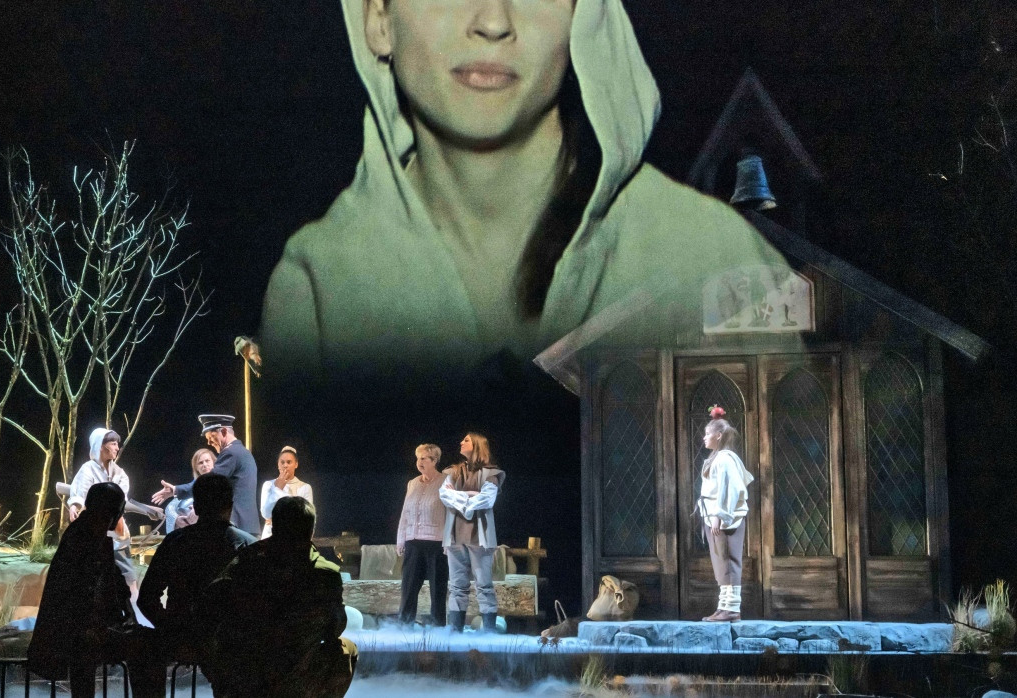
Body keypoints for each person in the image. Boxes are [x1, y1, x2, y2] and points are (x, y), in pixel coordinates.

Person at [258, 0, 795, 381]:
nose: (493, 20)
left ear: (585, 17)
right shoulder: (317, 291)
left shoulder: (713, 261)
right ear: (378, 19)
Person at [199, 497, 356, 698]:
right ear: (311, 531)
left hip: (243, 676)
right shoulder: (326, 574)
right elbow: (335, 626)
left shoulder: (247, 562)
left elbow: (209, 604)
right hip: (294, 678)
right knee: (346, 649)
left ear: (274, 528)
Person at [27, 482, 163, 698]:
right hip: (78, 635)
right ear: (113, 510)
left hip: (83, 632)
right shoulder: (84, 537)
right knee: (145, 645)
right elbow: (83, 592)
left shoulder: (87, 533)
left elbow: (112, 587)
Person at [138, 472, 257, 649]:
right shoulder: (247, 545)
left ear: (196, 507)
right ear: (230, 507)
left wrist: (171, 631)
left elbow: (146, 598)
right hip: (232, 647)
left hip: (183, 639)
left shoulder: (175, 542)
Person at [151, 414, 262, 537]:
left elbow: (208, 484)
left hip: (236, 527)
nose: (208, 442)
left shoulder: (230, 453)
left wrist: (176, 490)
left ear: (224, 432)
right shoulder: (243, 452)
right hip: (248, 526)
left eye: (211, 437)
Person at [440, 432, 505, 632]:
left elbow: (487, 499)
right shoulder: (453, 471)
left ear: (477, 445)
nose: (461, 442)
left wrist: (460, 499)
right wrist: (469, 497)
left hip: (480, 536)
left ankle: (489, 632)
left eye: (466, 440)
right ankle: (455, 630)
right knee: (457, 585)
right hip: (455, 536)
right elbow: (444, 494)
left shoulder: (491, 473)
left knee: (484, 585)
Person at [68, 428, 138, 600]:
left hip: (115, 527)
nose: (117, 448)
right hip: (94, 528)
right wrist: (74, 506)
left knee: (127, 570)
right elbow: (80, 492)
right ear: (101, 446)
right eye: (113, 444)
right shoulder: (88, 470)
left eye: (117, 444)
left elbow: (122, 496)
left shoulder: (119, 473)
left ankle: (134, 605)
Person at [697, 406, 753, 622]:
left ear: (718, 435)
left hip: (723, 519)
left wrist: (719, 517)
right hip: (714, 517)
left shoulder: (725, 458)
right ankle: (724, 607)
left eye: (707, 433)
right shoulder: (717, 457)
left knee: (728, 561)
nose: (704, 438)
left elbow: (728, 489)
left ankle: (731, 609)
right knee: (721, 563)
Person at [396, 443, 448, 625]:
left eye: (424, 458)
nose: (419, 462)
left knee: (437, 588)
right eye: (418, 458)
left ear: (434, 460)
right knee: (409, 586)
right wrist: (401, 539)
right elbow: (405, 513)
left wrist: (449, 541)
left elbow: (451, 515)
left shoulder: (446, 482)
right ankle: (405, 625)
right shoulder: (412, 483)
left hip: (437, 542)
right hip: (413, 540)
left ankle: (438, 627)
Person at [259, 446, 314, 539]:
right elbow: (266, 513)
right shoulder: (268, 485)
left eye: (289, 462)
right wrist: (278, 488)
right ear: (278, 465)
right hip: (271, 536)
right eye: (282, 462)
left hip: (294, 538)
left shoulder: (305, 487)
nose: (285, 465)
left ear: (296, 464)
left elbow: (306, 519)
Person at [164, 447, 217, 533]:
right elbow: (170, 508)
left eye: (207, 461)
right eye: (200, 463)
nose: (204, 464)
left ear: (214, 462)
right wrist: (176, 519)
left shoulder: (222, 482)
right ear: (196, 468)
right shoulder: (191, 486)